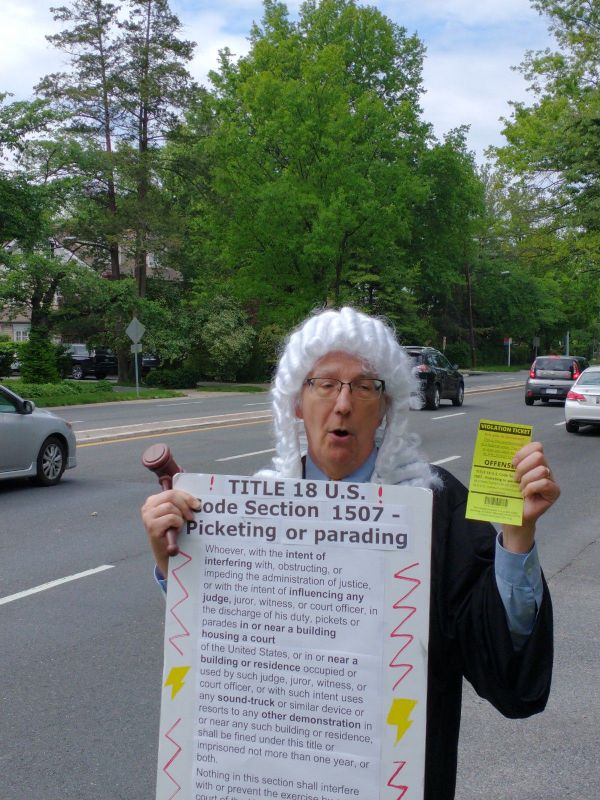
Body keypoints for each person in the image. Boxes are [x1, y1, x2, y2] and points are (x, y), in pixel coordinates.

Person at [141, 306, 559, 800]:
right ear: (298, 402)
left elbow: (502, 665)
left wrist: (517, 539)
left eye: (364, 387)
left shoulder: (434, 506)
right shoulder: (248, 512)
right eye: (324, 384)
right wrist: (174, 565)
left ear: (385, 407)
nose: (342, 404)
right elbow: (217, 646)